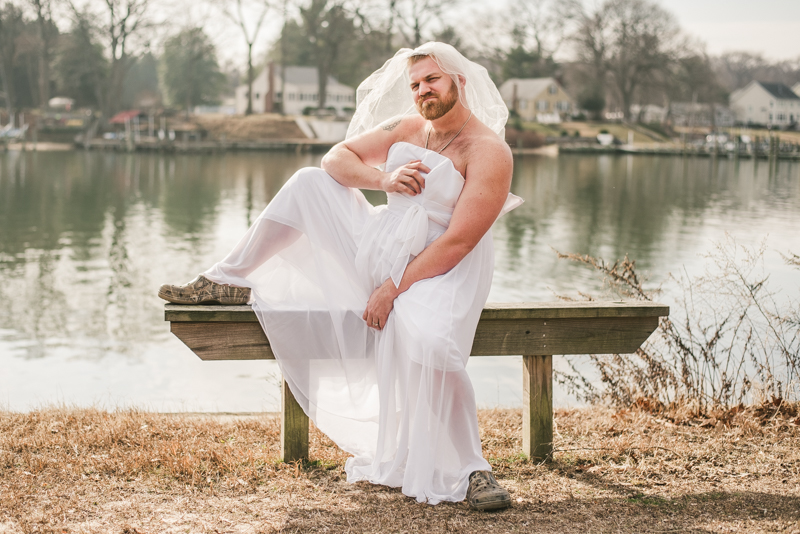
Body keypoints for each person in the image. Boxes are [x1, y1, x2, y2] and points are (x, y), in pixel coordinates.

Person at [158, 42, 522, 511]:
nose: (422, 91)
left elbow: (458, 242)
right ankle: (228, 278)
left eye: (431, 80)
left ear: (459, 80)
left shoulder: (490, 151)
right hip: (382, 243)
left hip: (439, 270)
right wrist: (383, 181)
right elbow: (337, 157)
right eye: (414, 84)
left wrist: (392, 288)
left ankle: (474, 469)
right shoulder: (409, 127)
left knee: (428, 338)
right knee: (310, 180)